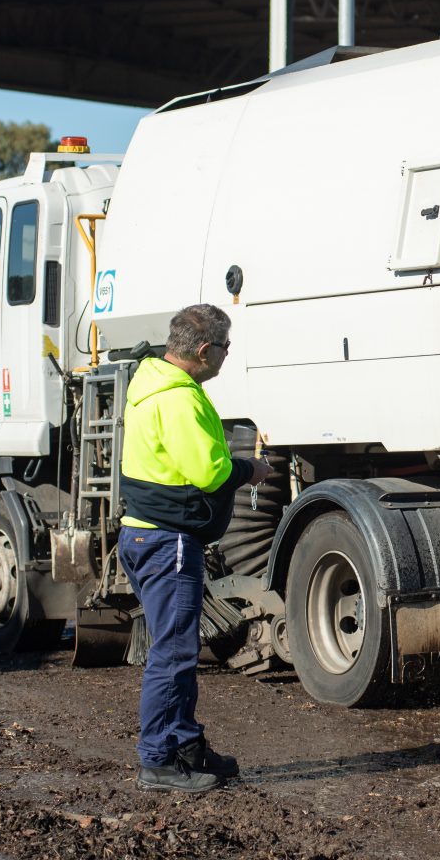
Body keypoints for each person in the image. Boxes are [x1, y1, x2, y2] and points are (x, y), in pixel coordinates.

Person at [118, 303, 273, 792]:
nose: (228, 357)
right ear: (205, 351)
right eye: (226, 348)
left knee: (176, 648)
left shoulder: (151, 385)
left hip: (145, 535)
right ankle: (158, 760)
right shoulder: (179, 399)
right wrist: (254, 470)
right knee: (174, 653)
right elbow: (211, 473)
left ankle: (185, 745)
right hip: (168, 541)